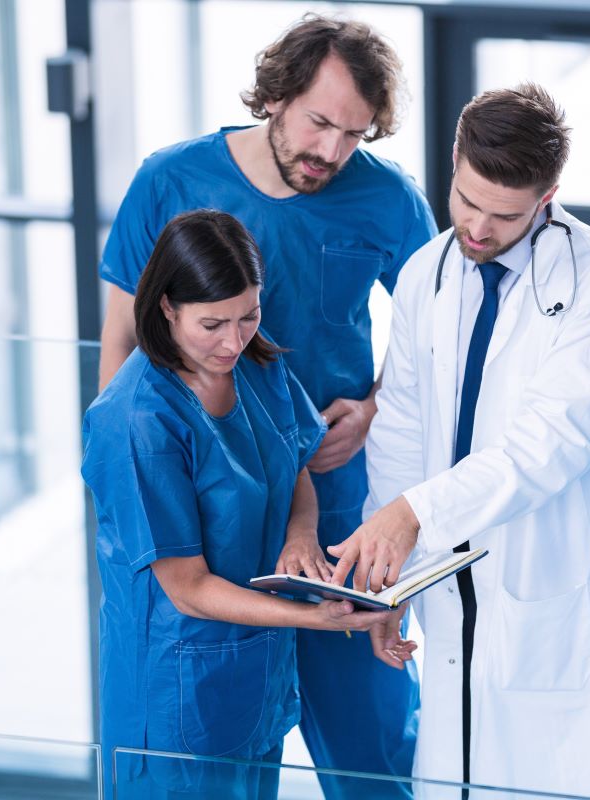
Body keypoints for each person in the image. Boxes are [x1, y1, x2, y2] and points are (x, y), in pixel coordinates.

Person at [96, 14, 435, 795]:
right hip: (201, 498)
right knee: (212, 733)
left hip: (334, 498)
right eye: (320, 123)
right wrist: (129, 482)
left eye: (355, 135)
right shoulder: (171, 179)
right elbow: (120, 342)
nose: (331, 153)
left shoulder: (388, 200)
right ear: (277, 95)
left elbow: (431, 339)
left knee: (370, 739)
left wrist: (378, 407)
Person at [328, 84, 590, 800]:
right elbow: (400, 429)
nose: (478, 228)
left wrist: (414, 516)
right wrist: (390, 574)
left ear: (548, 195)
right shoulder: (426, 273)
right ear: (453, 162)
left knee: (584, 774)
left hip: (566, 584)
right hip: (452, 589)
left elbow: (548, 446)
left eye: (505, 214)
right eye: (466, 200)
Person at [81, 210, 404, 799]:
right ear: (166, 309)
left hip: (255, 677)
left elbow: (296, 466)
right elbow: (188, 588)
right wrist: (314, 617)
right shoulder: (135, 420)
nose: (233, 341)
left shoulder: (257, 364)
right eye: (213, 324)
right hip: (176, 697)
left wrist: (301, 536)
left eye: (248, 315)